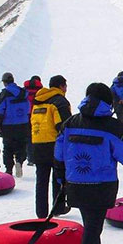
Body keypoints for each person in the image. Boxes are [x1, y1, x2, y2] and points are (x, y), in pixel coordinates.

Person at [55, 83, 123, 244]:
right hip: (101, 185)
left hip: (75, 182)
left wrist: (60, 181)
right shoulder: (112, 126)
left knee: (90, 222)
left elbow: (58, 155)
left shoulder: (70, 123)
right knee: (93, 226)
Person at [31, 75, 71, 218]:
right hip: (54, 145)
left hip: (37, 144)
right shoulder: (59, 101)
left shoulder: (38, 101)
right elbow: (64, 125)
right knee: (58, 177)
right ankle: (58, 207)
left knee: (41, 180)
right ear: (61, 86)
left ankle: (41, 213)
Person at [0, 72, 30, 177]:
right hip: (23, 124)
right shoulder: (23, 93)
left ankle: (9, 169)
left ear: (4, 82)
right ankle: (19, 161)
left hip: (8, 126)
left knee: (8, 148)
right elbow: (28, 108)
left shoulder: (4, 94)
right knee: (21, 146)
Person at [23, 75, 43, 165]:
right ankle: (36, 157)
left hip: (26, 116)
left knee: (28, 137)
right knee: (37, 136)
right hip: (38, 115)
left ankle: (29, 157)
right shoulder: (41, 91)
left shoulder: (24, 91)